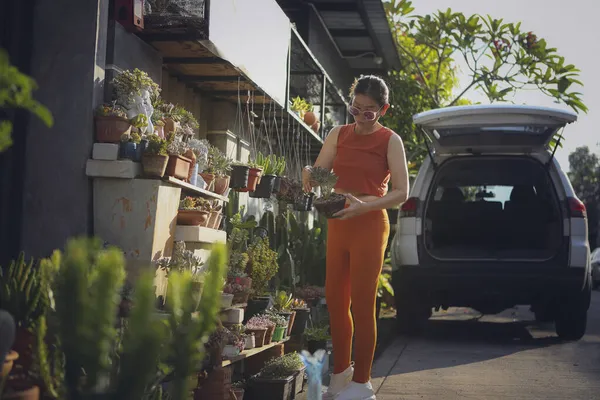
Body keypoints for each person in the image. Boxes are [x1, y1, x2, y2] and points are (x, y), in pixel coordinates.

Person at [302, 75, 409, 400]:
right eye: (356, 109)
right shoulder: (339, 133)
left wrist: (366, 206)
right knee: (335, 300)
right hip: (339, 220)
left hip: (370, 223)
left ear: (383, 110)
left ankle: (363, 383)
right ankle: (341, 373)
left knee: (363, 305)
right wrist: (310, 174)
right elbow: (323, 172)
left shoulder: (390, 141)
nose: (360, 116)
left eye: (369, 112)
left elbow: (402, 193)